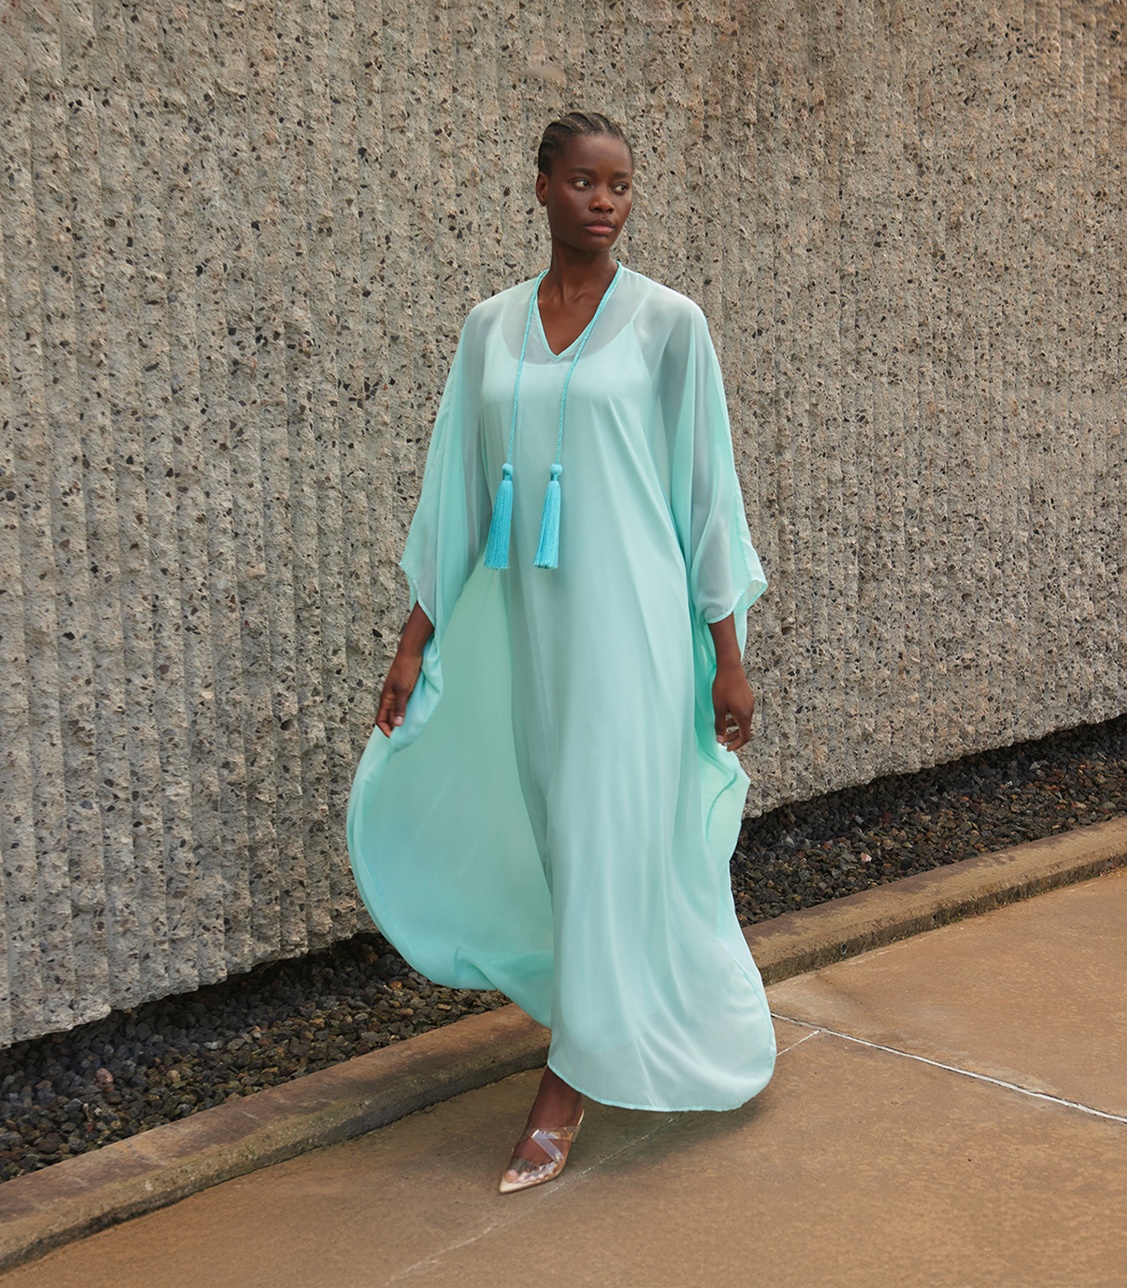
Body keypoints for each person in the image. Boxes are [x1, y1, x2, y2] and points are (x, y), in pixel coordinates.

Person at [345, 110, 775, 1194]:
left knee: (600, 832)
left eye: (621, 184)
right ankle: (647, 1014)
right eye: (584, 181)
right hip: (535, 640)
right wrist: (412, 643)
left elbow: (704, 495)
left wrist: (726, 652)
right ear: (541, 186)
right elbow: (453, 495)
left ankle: (566, 1084)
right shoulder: (489, 329)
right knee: (561, 836)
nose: (605, 201)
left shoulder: (670, 325)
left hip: (635, 633)